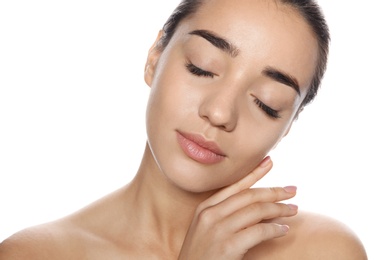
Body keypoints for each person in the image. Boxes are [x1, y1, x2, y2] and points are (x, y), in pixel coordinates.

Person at [0, 0, 367, 259]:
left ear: (288, 125)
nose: (220, 112)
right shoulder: (34, 254)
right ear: (154, 59)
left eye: (266, 103)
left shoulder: (324, 251)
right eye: (202, 68)